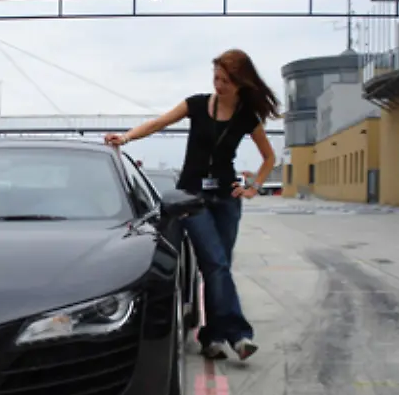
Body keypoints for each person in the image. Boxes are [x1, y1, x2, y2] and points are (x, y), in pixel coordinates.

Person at [105, 49, 278, 361]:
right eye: (216, 78)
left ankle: (211, 337)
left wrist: (253, 186)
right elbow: (159, 123)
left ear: (240, 83)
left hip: (226, 199)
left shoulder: (245, 117)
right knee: (215, 262)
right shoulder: (197, 105)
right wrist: (126, 137)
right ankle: (239, 335)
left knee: (218, 267)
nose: (219, 85)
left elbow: (269, 158)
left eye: (225, 80)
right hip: (192, 199)